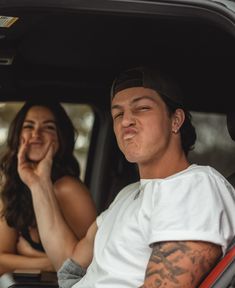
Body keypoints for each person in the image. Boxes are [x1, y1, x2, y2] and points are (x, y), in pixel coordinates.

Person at [17, 67, 235, 288]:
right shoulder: (128, 194)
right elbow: (70, 262)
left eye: (141, 108)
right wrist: (39, 184)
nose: (125, 121)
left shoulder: (194, 187)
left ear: (175, 120)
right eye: (118, 114)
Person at [0, 100, 97, 275]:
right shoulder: (13, 188)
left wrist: (25, 259)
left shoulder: (68, 189)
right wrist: (48, 262)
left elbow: (89, 263)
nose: (36, 134)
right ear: (17, 135)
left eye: (48, 128)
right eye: (29, 126)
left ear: (61, 138)